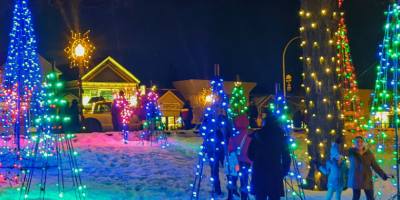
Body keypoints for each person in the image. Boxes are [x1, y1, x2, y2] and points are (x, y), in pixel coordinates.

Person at [248, 109, 291, 200]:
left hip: (259, 172)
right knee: (274, 196)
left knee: (260, 196)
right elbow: (286, 157)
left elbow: (250, 154)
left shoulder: (257, 135)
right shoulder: (281, 137)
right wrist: (283, 171)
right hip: (275, 172)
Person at [348, 136, 390, 200]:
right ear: (355, 143)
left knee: (370, 198)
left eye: (361, 141)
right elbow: (339, 152)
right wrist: (336, 144)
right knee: (356, 197)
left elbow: (375, 166)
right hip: (356, 179)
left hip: (367, 179)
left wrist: (383, 175)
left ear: (364, 143)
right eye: (357, 142)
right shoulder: (351, 152)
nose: (359, 143)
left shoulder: (369, 154)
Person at [226, 115, 252, 200]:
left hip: (235, 162)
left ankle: (230, 196)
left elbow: (229, 149)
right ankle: (244, 198)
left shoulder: (233, 136)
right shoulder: (250, 136)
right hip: (246, 163)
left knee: (233, 179)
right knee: (244, 182)